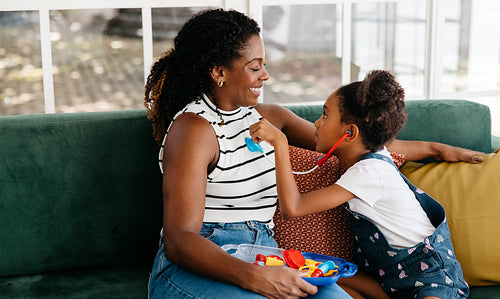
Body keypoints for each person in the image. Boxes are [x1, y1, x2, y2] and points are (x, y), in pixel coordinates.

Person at [145, 8, 481, 299]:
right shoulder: (193, 130)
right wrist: (259, 278)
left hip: (263, 253)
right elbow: (180, 241)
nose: (265, 75)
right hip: (198, 263)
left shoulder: (270, 117)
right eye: (254, 66)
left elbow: (359, 142)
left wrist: (437, 148)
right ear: (218, 72)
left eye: (264, 64)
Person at [249, 70, 471, 299]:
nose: (316, 122)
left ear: (350, 133)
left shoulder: (368, 172)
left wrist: (280, 143)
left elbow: (293, 207)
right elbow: (394, 145)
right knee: (320, 277)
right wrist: (437, 149)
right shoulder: (375, 152)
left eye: (325, 116)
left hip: (431, 278)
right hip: (389, 279)